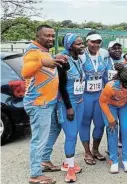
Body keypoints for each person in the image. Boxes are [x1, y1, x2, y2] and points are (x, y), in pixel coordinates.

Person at [22, 25, 66, 184]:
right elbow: (26, 72)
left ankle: (44, 160)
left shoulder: (43, 51)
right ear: (38, 36)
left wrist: (57, 57)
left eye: (53, 36)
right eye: (47, 36)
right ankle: (35, 175)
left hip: (50, 101)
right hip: (39, 103)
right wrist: (41, 62)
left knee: (55, 128)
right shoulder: (33, 51)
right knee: (39, 138)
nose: (51, 39)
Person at [99, 63, 127, 173]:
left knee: (126, 130)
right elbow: (102, 102)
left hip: (125, 105)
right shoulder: (110, 87)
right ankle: (113, 160)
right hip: (110, 106)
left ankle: (126, 159)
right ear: (125, 84)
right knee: (112, 130)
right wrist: (111, 119)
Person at [57, 33, 85, 182]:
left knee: (74, 134)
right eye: (78, 44)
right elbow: (61, 86)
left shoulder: (78, 59)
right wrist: (68, 107)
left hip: (80, 101)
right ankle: (69, 171)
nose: (82, 46)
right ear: (70, 46)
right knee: (71, 135)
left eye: (82, 43)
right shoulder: (64, 61)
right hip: (68, 103)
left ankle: (68, 163)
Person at [79, 31, 108, 165]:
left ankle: (95, 149)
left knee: (100, 124)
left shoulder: (103, 53)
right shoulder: (81, 55)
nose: (95, 44)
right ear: (87, 42)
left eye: (98, 42)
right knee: (85, 123)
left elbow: (116, 56)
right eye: (92, 41)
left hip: (99, 95)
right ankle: (87, 152)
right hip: (85, 95)